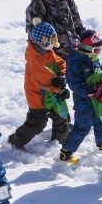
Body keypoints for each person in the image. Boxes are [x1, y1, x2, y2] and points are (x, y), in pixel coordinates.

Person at [8, 20, 72, 150]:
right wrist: (59, 89)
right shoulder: (34, 58)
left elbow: (58, 62)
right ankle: (16, 140)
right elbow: (44, 80)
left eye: (54, 40)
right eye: (51, 41)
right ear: (41, 41)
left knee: (61, 115)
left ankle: (60, 140)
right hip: (38, 97)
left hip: (51, 94)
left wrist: (65, 71)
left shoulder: (47, 51)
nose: (53, 44)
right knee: (38, 122)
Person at [59, 29, 102, 163]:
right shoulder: (76, 61)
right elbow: (73, 83)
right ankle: (66, 152)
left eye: (100, 50)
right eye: (97, 50)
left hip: (98, 100)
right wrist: (88, 91)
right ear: (87, 48)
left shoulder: (92, 58)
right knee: (83, 127)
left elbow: (101, 71)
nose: (98, 54)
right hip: (84, 102)